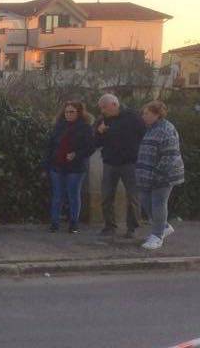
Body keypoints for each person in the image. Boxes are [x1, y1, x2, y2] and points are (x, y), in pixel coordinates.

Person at [94, 94, 146, 237]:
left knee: (133, 196)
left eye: (104, 107)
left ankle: (132, 228)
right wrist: (99, 132)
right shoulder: (102, 121)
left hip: (130, 163)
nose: (102, 111)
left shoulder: (132, 117)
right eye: (101, 108)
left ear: (114, 104)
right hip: (110, 163)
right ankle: (109, 226)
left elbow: (144, 135)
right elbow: (95, 142)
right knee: (106, 196)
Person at [136, 101, 186, 251]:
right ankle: (163, 226)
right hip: (147, 175)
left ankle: (157, 236)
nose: (143, 116)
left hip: (163, 176)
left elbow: (170, 155)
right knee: (145, 200)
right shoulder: (151, 129)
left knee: (158, 203)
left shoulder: (166, 129)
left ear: (156, 114)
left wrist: (157, 174)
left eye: (146, 113)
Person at [42, 101, 94, 233]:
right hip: (57, 165)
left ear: (79, 113)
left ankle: (74, 223)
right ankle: (54, 223)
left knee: (73, 195)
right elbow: (50, 146)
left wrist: (76, 154)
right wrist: (46, 165)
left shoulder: (85, 128)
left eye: (72, 112)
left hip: (75, 167)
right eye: (66, 112)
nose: (69, 114)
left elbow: (90, 148)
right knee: (57, 195)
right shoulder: (58, 126)